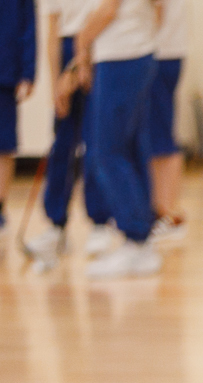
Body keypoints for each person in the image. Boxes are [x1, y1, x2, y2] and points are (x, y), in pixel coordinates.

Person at [20, 0, 112, 268]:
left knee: (94, 141)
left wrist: (82, 61)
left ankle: (99, 222)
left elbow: (105, 15)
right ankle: (56, 225)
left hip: (98, 46)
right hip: (65, 47)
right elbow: (52, 32)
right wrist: (54, 86)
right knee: (62, 144)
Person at [75, 0, 158, 279]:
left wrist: (82, 42)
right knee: (131, 149)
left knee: (105, 152)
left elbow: (108, 9)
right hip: (136, 54)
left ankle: (135, 238)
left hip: (121, 57)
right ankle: (141, 241)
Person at [145, 0, 186, 240]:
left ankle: (168, 214)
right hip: (165, 51)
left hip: (161, 52)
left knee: (160, 136)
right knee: (156, 134)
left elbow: (157, 10)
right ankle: (160, 211)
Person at [0, 0, 31, 231]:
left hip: (5, 72)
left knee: (4, 144)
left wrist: (28, 72)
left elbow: (28, 25)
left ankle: (0, 208)